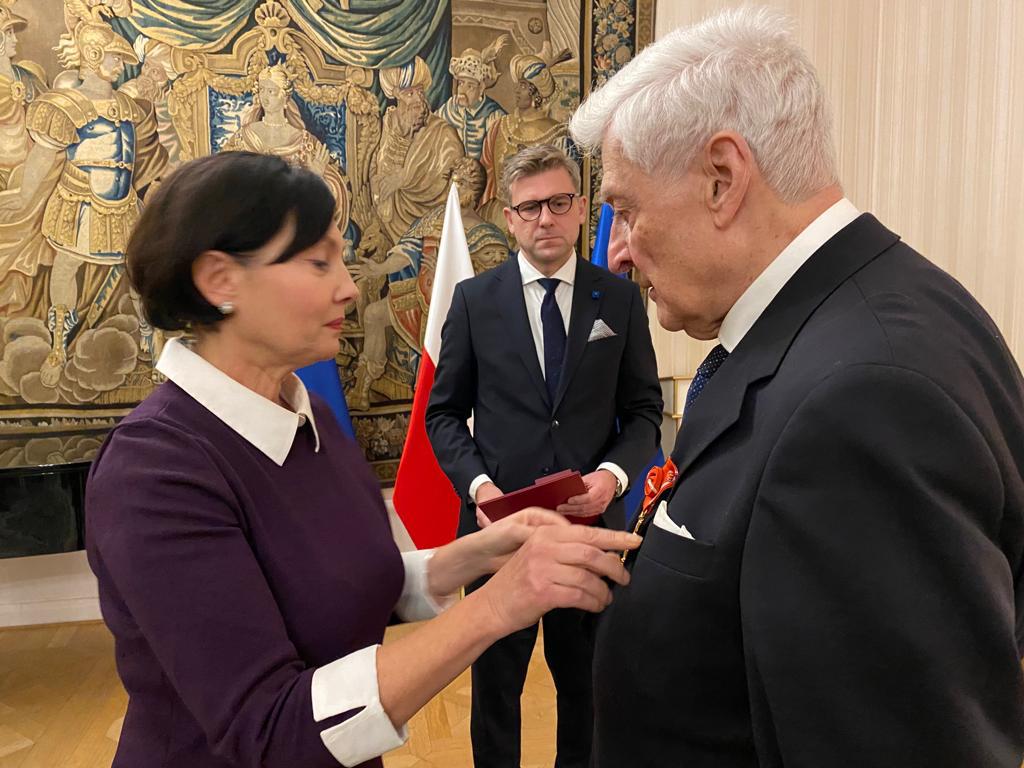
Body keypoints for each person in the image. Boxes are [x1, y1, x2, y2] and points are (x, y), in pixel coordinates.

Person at [568, 6, 1024, 767]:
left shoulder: (863, 401)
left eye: (626, 209)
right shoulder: (862, 311)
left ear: (723, 178)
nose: (615, 253)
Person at [84, 151, 642, 768]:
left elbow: (338, 589)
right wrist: (496, 604)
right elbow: (269, 730)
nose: (349, 287)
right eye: (318, 261)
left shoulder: (311, 420)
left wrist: (478, 553)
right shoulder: (154, 471)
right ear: (221, 280)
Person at [425, 144, 663, 768]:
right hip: (498, 536)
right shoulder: (474, 301)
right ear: (510, 219)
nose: (545, 219)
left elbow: (644, 411)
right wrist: (479, 489)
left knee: (586, 689)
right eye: (530, 208)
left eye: (558, 203)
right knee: (495, 693)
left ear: (581, 208)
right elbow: (442, 414)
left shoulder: (619, 300)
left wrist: (613, 477)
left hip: (590, 534)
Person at [223, 63, 349, 226]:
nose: (265, 97)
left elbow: (335, 193)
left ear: (285, 97)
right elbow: (221, 177)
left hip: (290, 224)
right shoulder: (244, 135)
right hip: (250, 222)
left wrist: (317, 176)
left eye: (271, 91)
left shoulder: (304, 141)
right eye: (262, 90)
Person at [435, 35, 508, 159]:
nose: (463, 90)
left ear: (481, 88)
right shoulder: (450, 107)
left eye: (470, 86)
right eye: (461, 83)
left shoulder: (494, 115)